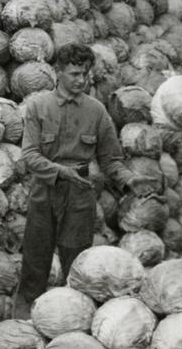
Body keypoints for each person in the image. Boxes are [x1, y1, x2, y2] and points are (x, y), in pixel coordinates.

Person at [15, 43, 149, 319]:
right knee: (34, 264)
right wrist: (59, 172)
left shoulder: (96, 111)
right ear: (58, 72)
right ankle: (23, 321)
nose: (81, 80)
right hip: (45, 192)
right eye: (75, 73)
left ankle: (69, 322)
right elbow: (29, 155)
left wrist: (129, 180)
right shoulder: (38, 107)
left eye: (85, 74)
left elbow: (111, 159)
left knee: (77, 265)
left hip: (80, 196)